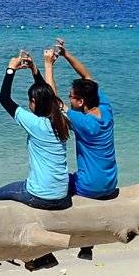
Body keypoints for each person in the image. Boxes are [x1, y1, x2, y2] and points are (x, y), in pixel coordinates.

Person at [0, 51, 72, 274]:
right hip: (62, 195)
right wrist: (34, 71)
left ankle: (12, 252)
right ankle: (41, 254)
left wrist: (10, 68)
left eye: (30, 101)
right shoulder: (62, 120)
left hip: (41, 195)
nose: (28, 104)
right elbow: (50, 97)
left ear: (34, 103)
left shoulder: (35, 124)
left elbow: (4, 99)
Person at [44, 39, 119, 260]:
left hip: (90, 186)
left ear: (80, 101)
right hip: (111, 182)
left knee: (51, 187)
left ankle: (51, 248)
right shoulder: (105, 110)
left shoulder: (81, 121)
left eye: (71, 97)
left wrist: (48, 65)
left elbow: (51, 101)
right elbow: (89, 77)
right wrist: (66, 55)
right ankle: (87, 247)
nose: (69, 99)